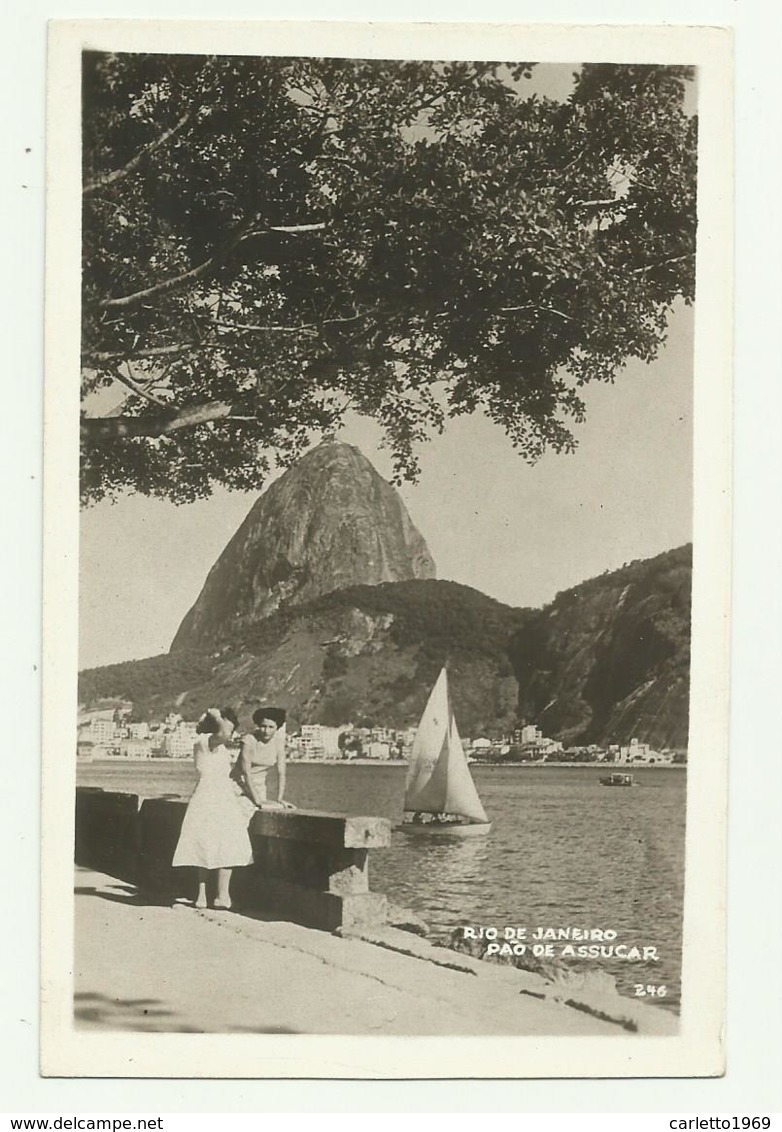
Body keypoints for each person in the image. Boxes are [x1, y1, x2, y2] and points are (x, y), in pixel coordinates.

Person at [172, 707, 252, 910]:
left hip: (221, 796)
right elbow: (223, 734)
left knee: (217, 844)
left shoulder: (215, 746)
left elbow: (230, 774)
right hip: (211, 797)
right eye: (226, 726)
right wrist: (215, 714)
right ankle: (210, 896)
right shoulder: (205, 740)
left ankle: (215, 896)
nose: (229, 733)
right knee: (210, 844)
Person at [234, 706, 295, 816]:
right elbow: (246, 773)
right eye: (263, 726)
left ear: (277, 727)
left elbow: (281, 772)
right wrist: (256, 799)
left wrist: (280, 798)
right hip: (239, 784)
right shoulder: (248, 740)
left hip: (260, 787)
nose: (266, 731)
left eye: (271, 727)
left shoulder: (278, 743)